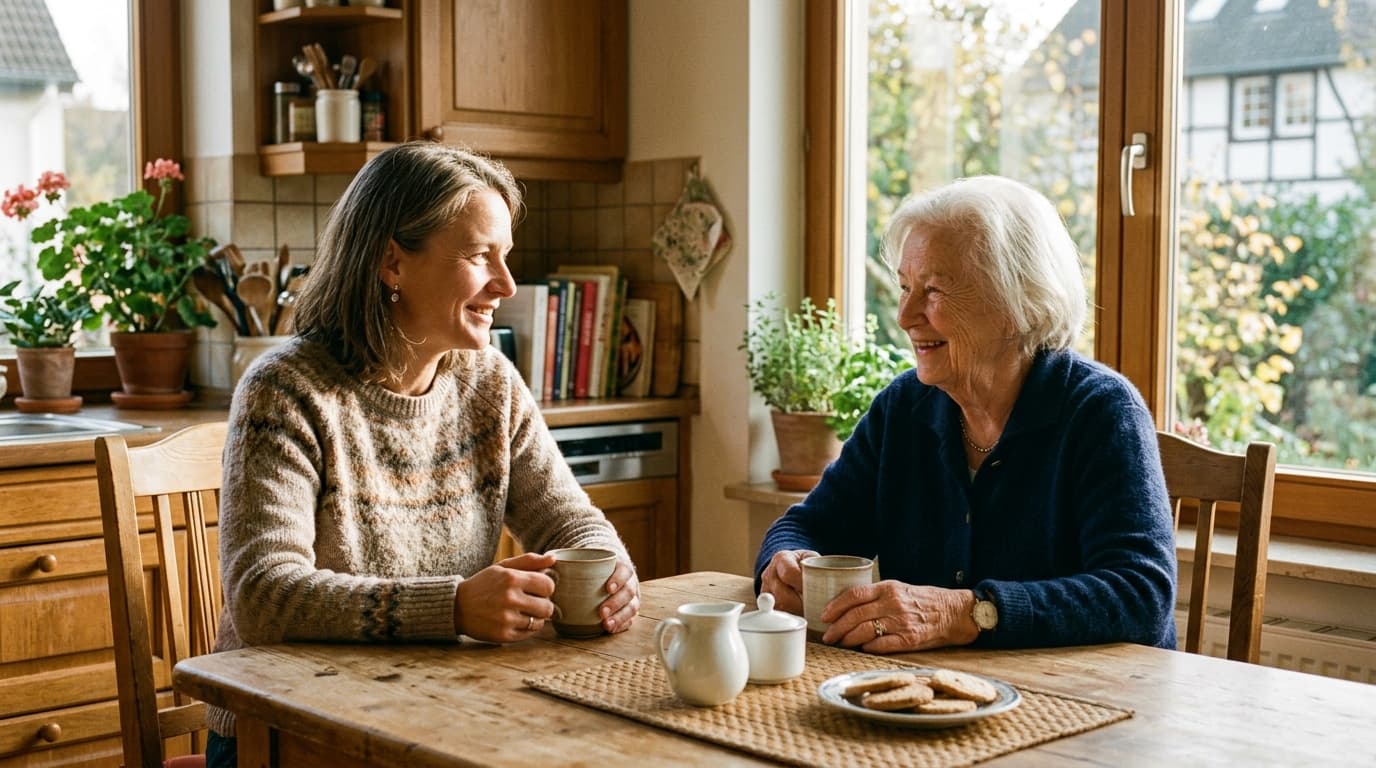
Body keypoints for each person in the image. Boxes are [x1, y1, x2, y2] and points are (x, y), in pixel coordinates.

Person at [205, 142, 638, 764]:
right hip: (282, 730)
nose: (506, 284)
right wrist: (453, 607)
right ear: (392, 263)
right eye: (479, 256)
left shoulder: (489, 383)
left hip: (432, 711)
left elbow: (570, 521)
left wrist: (610, 569)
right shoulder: (286, 390)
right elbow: (263, 597)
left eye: (506, 256)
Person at [755, 175, 1177, 654]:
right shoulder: (903, 408)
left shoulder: (1101, 411)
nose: (905, 315)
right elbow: (810, 524)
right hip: (939, 686)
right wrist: (784, 561)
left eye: (934, 290)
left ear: (1018, 301)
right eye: (905, 287)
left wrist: (968, 613)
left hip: (1087, 692)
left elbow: (1140, 596)